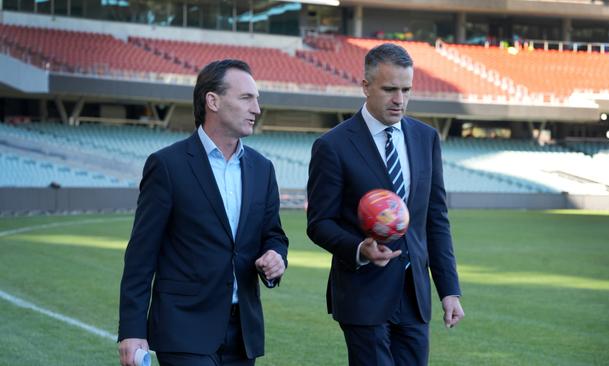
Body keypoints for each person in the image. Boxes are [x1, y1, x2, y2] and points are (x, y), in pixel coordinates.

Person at [118, 59, 289, 366]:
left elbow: (273, 235)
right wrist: (131, 330)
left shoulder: (263, 169)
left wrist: (276, 257)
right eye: (246, 98)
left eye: (257, 99)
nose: (257, 109)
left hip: (243, 332)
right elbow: (141, 254)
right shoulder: (168, 165)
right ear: (213, 100)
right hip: (183, 327)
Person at [306, 43, 464, 366]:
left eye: (406, 89)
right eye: (390, 89)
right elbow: (319, 223)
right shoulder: (332, 146)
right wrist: (359, 249)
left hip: (414, 297)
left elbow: (435, 219)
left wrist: (449, 290)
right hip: (363, 296)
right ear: (365, 86)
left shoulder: (426, 138)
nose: (400, 100)